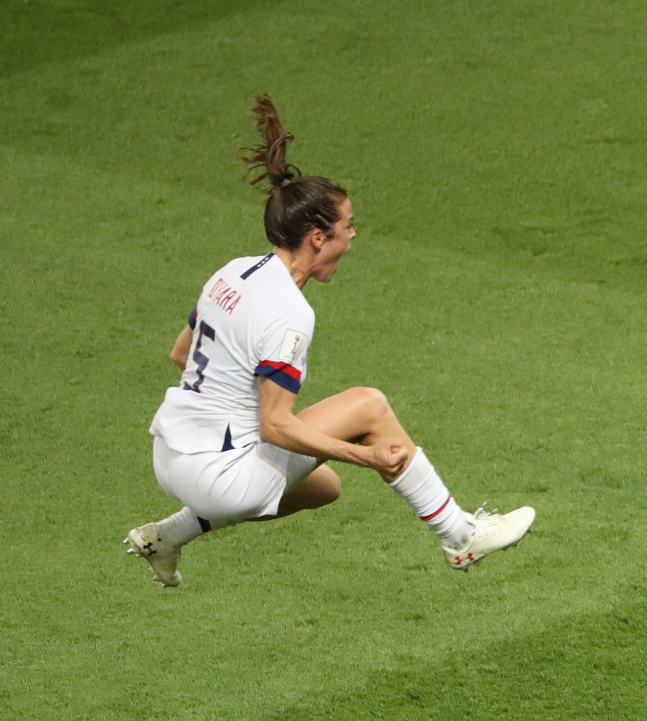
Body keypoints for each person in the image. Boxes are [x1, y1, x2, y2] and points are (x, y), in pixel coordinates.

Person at [125, 96, 533, 587]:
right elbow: (276, 427)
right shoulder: (290, 313)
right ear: (318, 237)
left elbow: (180, 353)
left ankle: (166, 537)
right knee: (368, 406)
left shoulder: (233, 272)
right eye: (347, 227)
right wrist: (367, 455)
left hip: (169, 456)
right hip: (220, 477)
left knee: (321, 488)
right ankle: (459, 535)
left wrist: (227, 416)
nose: (353, 235)